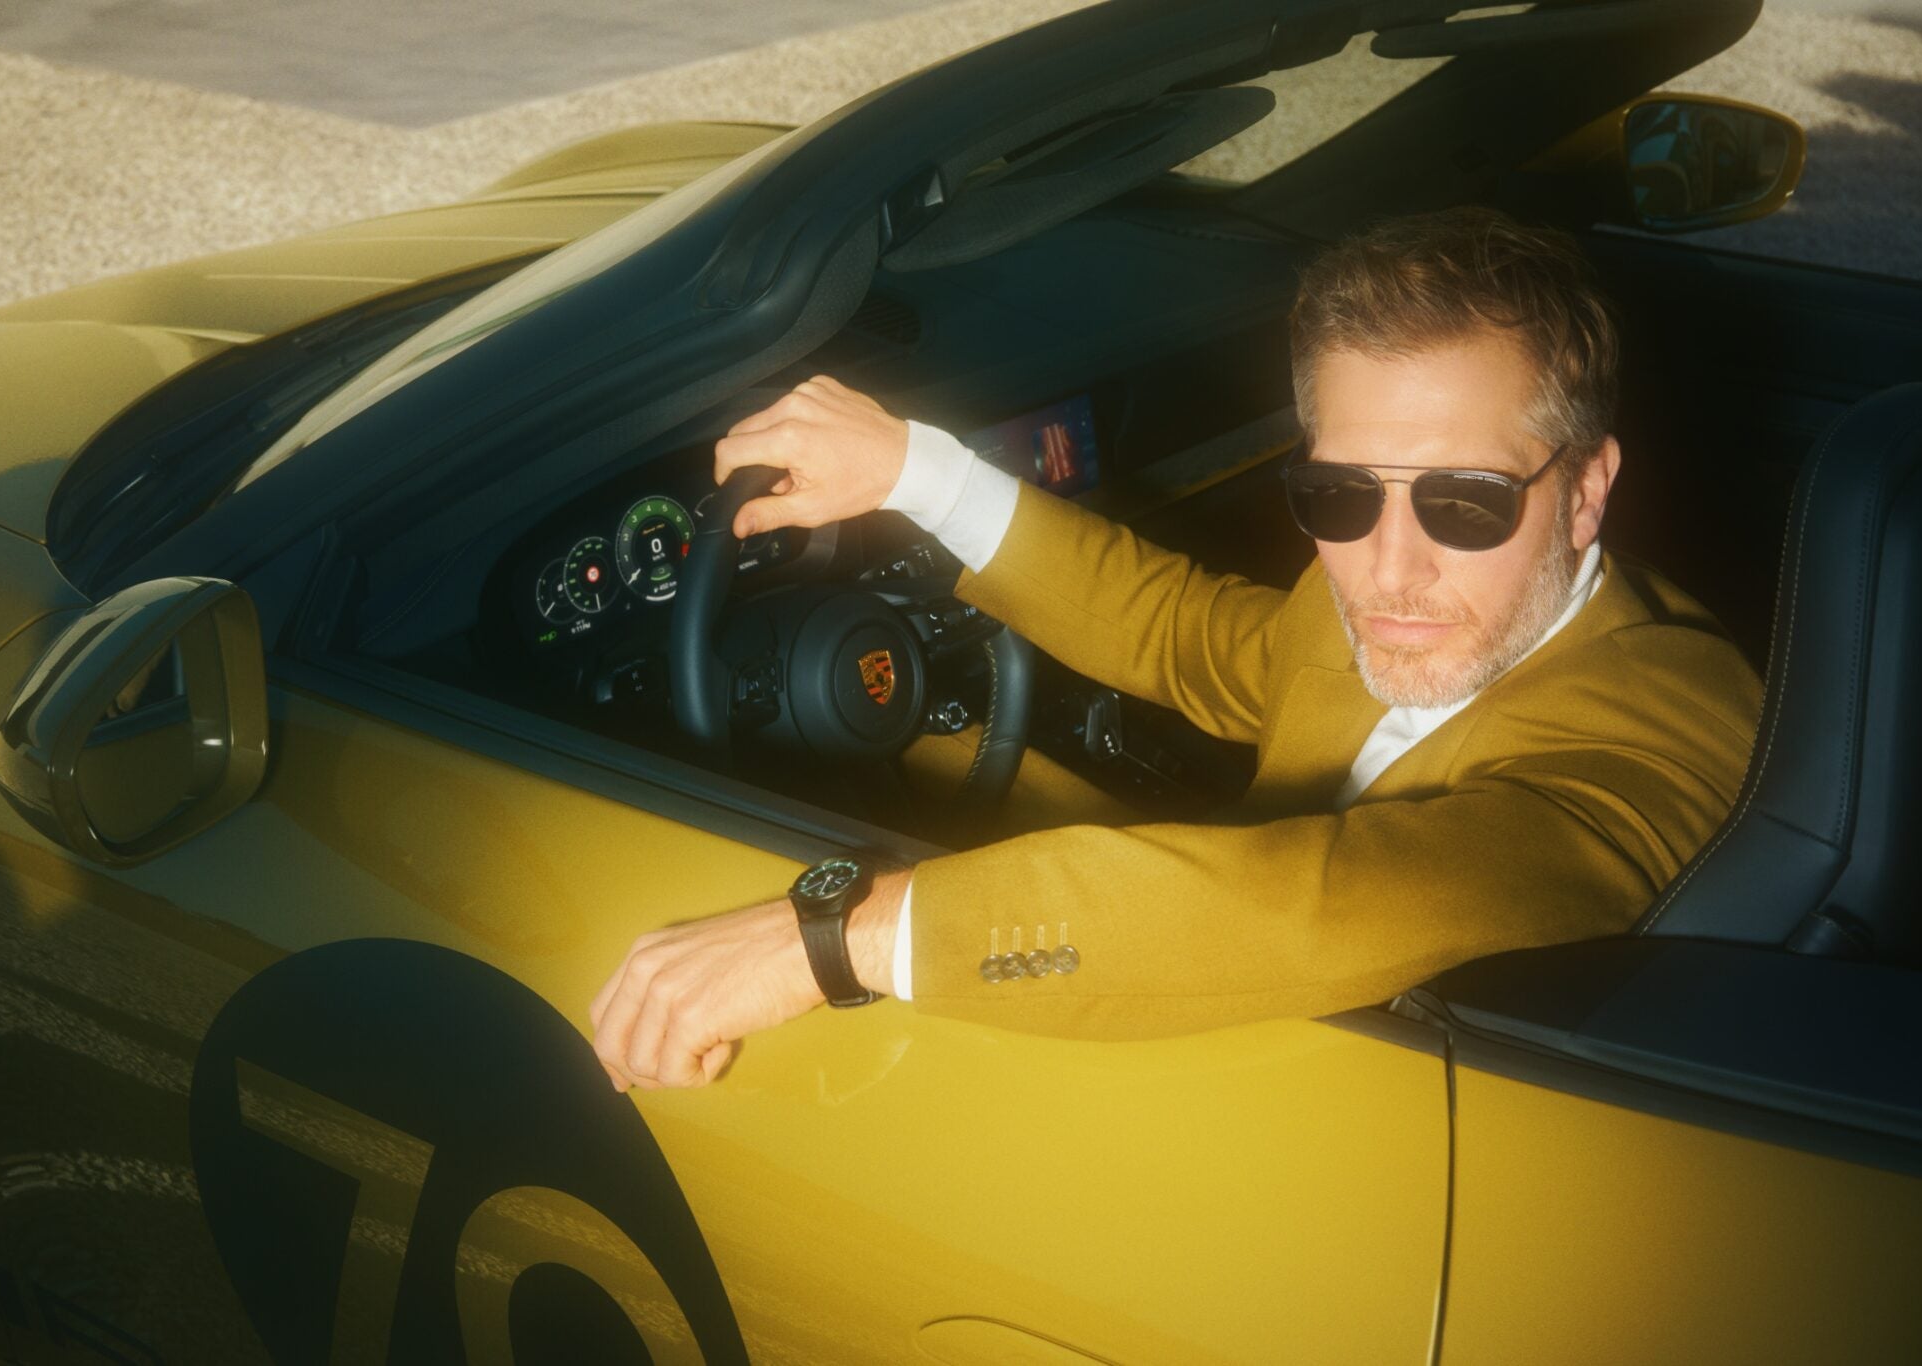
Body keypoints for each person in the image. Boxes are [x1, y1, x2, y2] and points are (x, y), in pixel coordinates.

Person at [588, 206, 1761, 1091]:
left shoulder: (1673, 723)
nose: (1385, 568)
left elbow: (1312, 914)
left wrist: (835, 940)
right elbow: (1188, 637)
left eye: (1463, 503)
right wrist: (916, 471)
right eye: (1340, 494)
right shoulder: (1380, 588)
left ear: (1586, 490)